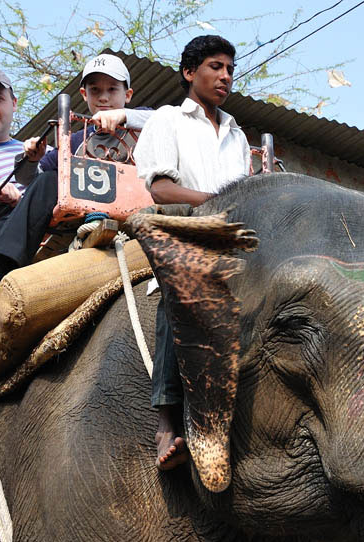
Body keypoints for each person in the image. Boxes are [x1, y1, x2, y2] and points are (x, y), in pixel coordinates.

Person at [0, 54, 152, 350]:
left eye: (113, 90)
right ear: (84, 95)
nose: (105, 98)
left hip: (123, 206)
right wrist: (29, 159)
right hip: (63, 220)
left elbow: (170, 121)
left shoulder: (144, 123)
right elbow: (37, 175)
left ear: (128, 95)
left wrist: (125, 116)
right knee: (7, 220)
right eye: (96, 91)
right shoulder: (74, 138)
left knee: (42, 190)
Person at [133, 35, 251, 470]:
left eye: (230, 69)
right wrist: (218, 206)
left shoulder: (237, 133)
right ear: (189, 72)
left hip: (236, 243)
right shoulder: (167, 120)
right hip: (185, 234)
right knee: (179, 290)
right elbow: (161, 188)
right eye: (215, 67)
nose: (225, 76)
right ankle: (166, 419)